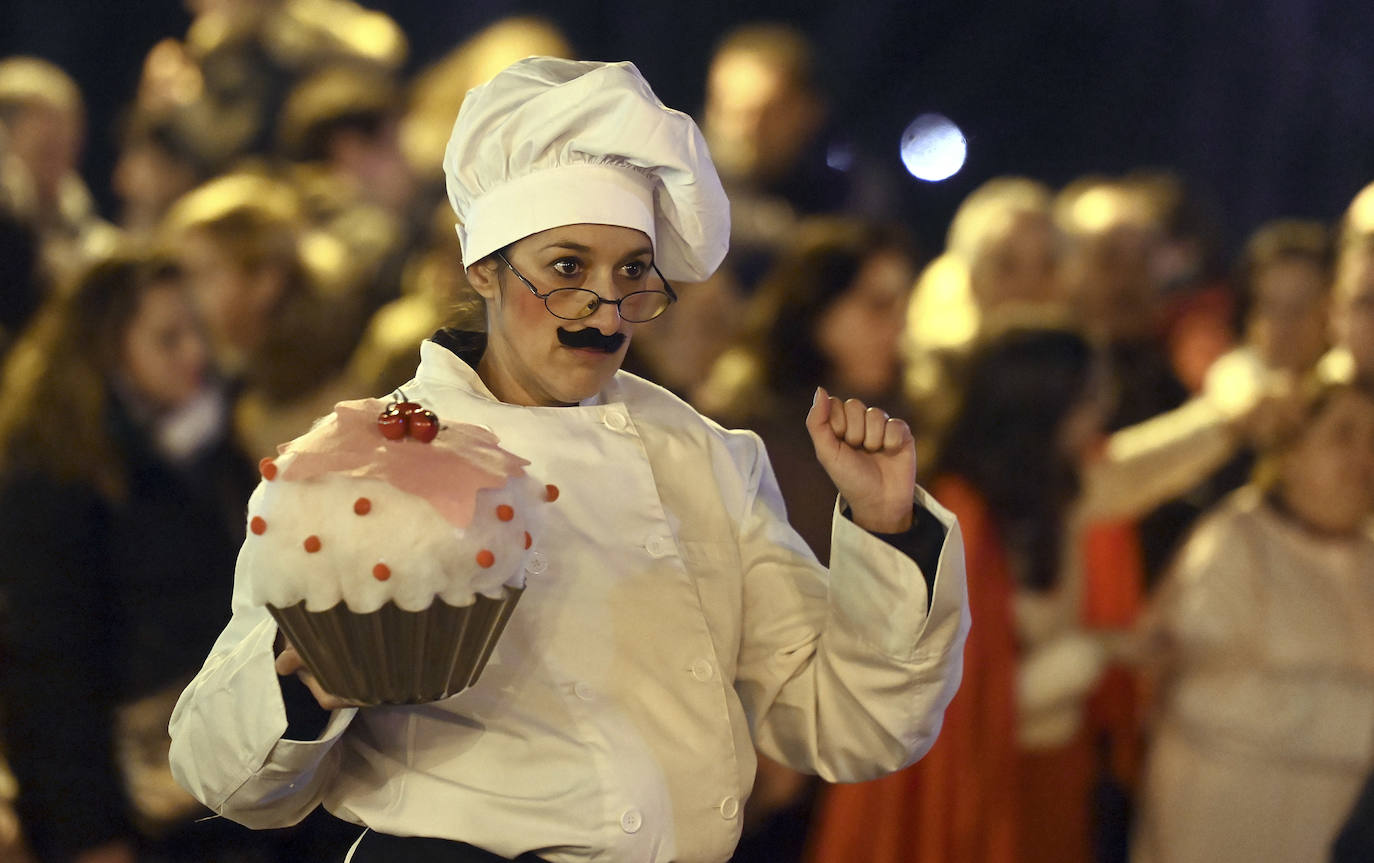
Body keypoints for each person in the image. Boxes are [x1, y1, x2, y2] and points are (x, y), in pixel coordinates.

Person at [167, 57, 970, 863]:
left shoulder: (703, 458)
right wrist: (312, 683)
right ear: (483, 267)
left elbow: (852, 724)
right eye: (566, 268)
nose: (604, 309)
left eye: (631, 273)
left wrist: (885, 523)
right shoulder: (372, 459)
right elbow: (222, 772)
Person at [0, 251, 269, 863]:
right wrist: (90, 836)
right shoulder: (55, 479)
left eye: (197, 331)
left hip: (228, 784)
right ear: (104, 350)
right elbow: (50, 674)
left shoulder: (210, 444)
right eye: (168, 339)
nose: (195, 354)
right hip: (140, 804)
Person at [1130, 373, 1374, 863]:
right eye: (1343, 435)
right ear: (1290, 451)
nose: (1364, 458)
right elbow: (1207, 693)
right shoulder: (1232, 545)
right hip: (1224, 830)